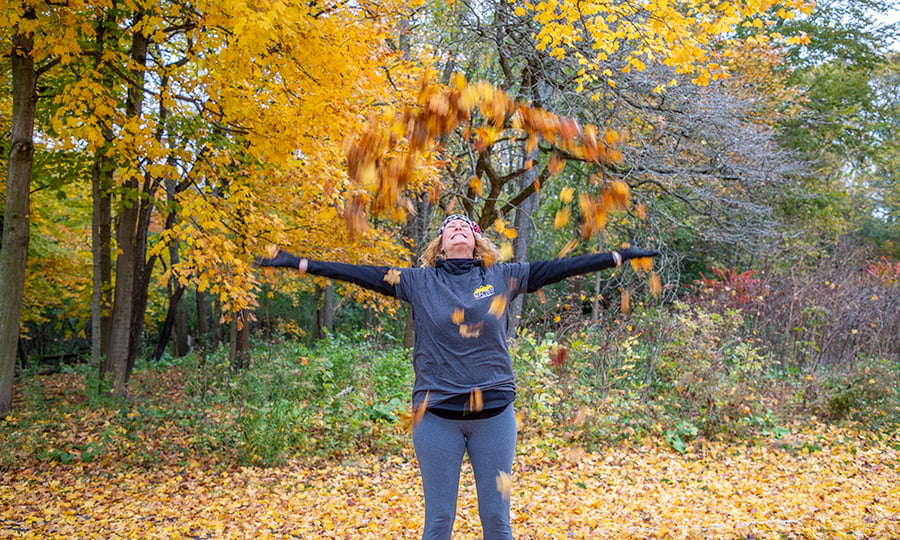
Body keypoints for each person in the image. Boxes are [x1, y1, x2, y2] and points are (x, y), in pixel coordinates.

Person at [256, 214, 659, 540]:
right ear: (441, 245)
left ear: (476, 239)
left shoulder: (502, 276)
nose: (457, 226)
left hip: (495, 417)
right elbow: (357, 273)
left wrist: (619, 256)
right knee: (438, 525)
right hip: (436, 420)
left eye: (465, 224)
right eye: (449, 226)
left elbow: (561, 268)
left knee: (498, 523)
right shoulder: (418, 281)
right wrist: (297, 263)